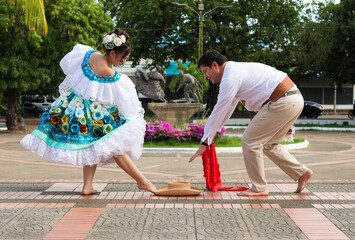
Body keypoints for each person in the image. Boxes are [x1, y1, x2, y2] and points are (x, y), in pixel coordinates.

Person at [21, 28, 157, 195]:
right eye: (123, 59)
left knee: (92, 144)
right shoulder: (110, 73)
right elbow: (121, 99)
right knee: (116, 148)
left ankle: (88, 186)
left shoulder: (89, 54)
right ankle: (143, 181)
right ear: (113, 53)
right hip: (92, 114)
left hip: (73, 109)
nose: (123, 63)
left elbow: (69, 67)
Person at [189, 49, 313, 196]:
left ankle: (259, 188)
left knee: (250, 141)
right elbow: (227, 108)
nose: (205, 76)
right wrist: (208, 137)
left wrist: (205, 141)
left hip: (282, 101)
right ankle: (301, 173)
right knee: (269, 145)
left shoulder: (230, 77)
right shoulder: (235, 72)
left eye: (205, 71)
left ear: (215, 65)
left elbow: (220, 109)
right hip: (293, 99)